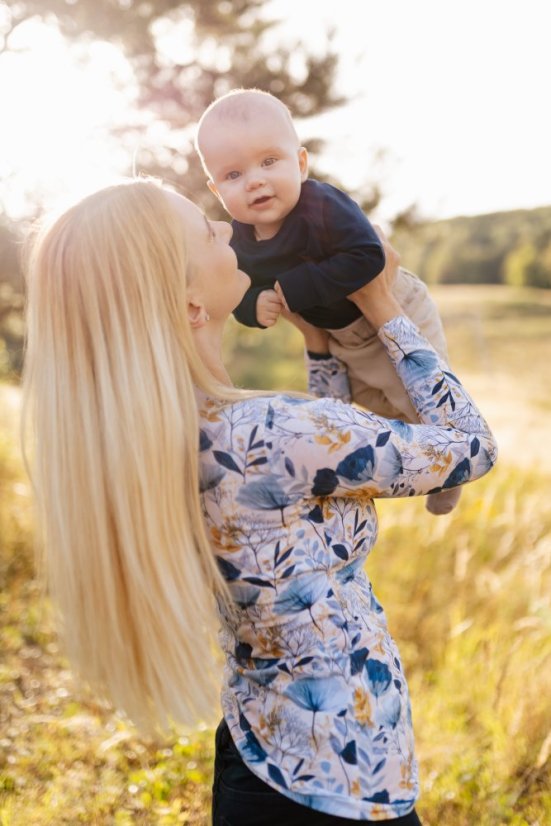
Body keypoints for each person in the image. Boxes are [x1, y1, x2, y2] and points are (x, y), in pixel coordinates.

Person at [21, 179, 497, 825]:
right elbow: (469, 447)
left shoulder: (159, 432)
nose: (227, 230)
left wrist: (317, 345)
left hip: (261, 751)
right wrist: (383, 305)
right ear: (188, 301)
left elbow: (307, 468)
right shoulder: (265, 431)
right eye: (206, 231)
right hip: (339, 779)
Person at [195, 88, 462, 517]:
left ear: (300, 164)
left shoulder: (322, 205)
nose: (255, 180)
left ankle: (451, 467)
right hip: (338, 332)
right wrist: (254, 305)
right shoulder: (240, 239)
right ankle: (432, 457)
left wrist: (299, 287)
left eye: (269, 162)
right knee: (371, 405)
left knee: (413, 396)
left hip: (394, 307)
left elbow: (368, 257)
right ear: (216, 188)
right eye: (233, 174)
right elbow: (243, 287)